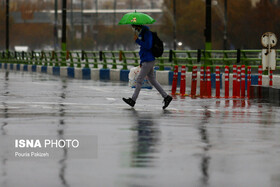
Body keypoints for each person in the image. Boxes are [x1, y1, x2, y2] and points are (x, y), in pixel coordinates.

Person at [122, 24, 172, 109]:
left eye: (134, 27)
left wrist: (137, 40)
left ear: (138, 26)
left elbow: (148, 46)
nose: (134, 28)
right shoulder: (144, 33)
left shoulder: (147, 33)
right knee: (152, 80)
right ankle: (166, 97)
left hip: (148, 60)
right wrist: (142, 61)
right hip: (147, 60)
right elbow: (144, 48)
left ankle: (133, 100)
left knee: (139, 80)